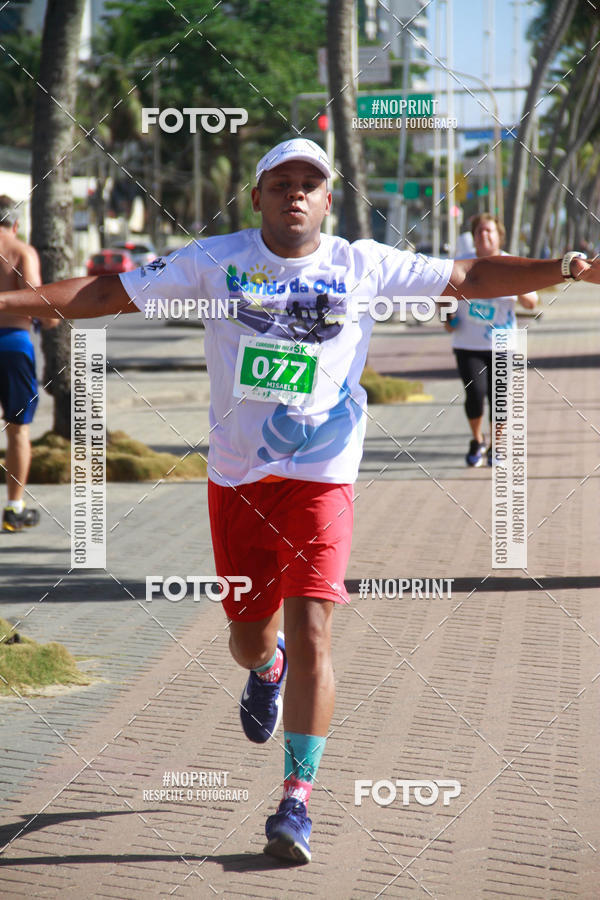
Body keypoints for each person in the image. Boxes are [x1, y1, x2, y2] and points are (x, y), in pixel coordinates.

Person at [0, 139, 597, 862]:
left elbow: (469, 275)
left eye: (309, 184)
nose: (295, 194)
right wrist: (11, 304)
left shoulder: (362, 264)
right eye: (280, 182)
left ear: (327, 198)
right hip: (238, 480)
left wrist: (566, 266)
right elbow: (106, 293)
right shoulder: (217, 261)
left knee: (315, 628)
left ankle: (296, 800)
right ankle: (264, 667)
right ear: (257, 197)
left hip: (323, 474)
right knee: (249, 637)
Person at [445, 213, 539, 467]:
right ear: (473, 237)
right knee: (475, 395)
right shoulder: (462, 263)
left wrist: (514, 284)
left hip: (503, 342)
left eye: (489, 231)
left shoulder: (512, 263)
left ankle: (497, 446)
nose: (484, 235)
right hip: (467, 342)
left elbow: (532, 302)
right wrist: (447, 317)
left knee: (498, 397)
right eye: (479, 232)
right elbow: (443, 297)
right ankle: (477, 440)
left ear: (499, 236)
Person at [0, 195, 59, 531]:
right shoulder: (21, 251)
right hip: (13, 345)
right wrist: (51, 322)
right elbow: (36, 301)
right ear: (16, 223)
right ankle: (13, 509)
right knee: (18, 430)